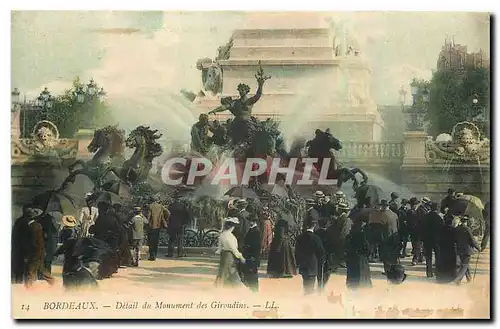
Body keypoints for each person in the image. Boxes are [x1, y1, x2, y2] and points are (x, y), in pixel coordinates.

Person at [295, 217, 326, 295]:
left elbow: (296, 252)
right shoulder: (316, 238)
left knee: (305, 284)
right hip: (313, 264)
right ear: (314, 225)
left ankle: (306, 297)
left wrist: (298, 262)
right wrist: (322, 261)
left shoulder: (300, 237)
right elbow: (321, 252)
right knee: (311, 285)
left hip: (303, 264)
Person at [25, 209, 55, 287]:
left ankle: (29, 286)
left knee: (32, 269)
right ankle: (52, 281)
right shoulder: (37, 225)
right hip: (39, 251)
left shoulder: (33, 226)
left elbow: (34, 241)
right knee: (40, 269)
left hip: (35, 251)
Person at [215, 217, 246, 287]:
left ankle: (222, 287)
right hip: (229, 256)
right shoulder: (229, 236)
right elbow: (233, 249)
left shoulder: (222, 235)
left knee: (223, 273)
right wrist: (241, 257)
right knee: (232, 273)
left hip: (223, 256)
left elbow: (219, 248)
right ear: (232, 227)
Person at [267, 212, 297, 278]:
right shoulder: (284, 222)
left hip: (281, 242)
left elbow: (281, 235)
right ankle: (286, 271)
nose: (275, 217)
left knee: (282, 258)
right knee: (286, 258)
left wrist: (279, 246)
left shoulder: (280, 223)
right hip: (285, 241)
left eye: (276, 216)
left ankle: (282, 272)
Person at [453, 215, 480, 285]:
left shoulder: (457, 229)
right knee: (464, 265)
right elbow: (472, 240)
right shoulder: (467, 229)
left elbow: (455, 239)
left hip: (459, 249)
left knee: (465, 264)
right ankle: (458, 279)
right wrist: (478, 247)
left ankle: (469, 278)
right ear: (466, 222)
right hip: (467, 250)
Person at [345, 218, 372, 289]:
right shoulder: (362, 236)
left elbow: (345, 247)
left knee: (352, 276)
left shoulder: (349, 236)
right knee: (361, 276)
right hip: (361, 259)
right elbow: (368, 249)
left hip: (351, 259)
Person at [375, 200, 399, 275]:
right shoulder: (394, 214)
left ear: (383, 206)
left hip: (385, 238)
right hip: (394, 237)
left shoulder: (382, 215)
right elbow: (398, 226)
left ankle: (387, 270)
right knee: (393, 254)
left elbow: (378, 227)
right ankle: (394, 269)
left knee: (385, 255)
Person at [327, 202, 351, 271]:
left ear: (341, 210)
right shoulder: (341, 217)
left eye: (339, 209)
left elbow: (343, 230)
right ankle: (336, 265)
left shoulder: (343, 218)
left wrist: (340, 238)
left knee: (338, 252)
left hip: (340, 238)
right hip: (339, 238)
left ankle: (335, 266)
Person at [421, 202, 443, 278]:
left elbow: (422, 228)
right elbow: (442, 229)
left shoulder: (426, 216)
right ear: (437, 209)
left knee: (428, 256)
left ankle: (429, 272)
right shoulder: (439, 218)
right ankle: (438, 271)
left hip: (427, 240)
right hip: (437, 240)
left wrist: (423, 239)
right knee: (438, 256)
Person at [435, 213, 458, 283]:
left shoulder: (440, 229)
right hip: (451, 248)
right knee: (451, 263)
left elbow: (438, 239)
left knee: (443, 262)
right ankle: (451, 276)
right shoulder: (453, 230)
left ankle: (441, 277)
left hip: (442, 248)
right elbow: (456, 240)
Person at [242, 216, 261, 292]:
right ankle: (252, 290)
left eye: (251, 221)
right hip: (248, 256)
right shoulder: (251, 230)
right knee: (248, 274)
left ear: (254, 222)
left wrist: (254, 257)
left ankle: (255, 291)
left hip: (252, 257)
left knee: (252, 274)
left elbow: (257, 246)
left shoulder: (256, 231)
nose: (250, 222)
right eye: (249, 220)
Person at [37, 211, 59, 276]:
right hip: (47, 248)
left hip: (45, 248)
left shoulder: (41, 219)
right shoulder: (53, 228)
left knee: (44, 264)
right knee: (46, 264)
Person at [314, 218, 334, 292]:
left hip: (317, 255)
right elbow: (332, 246)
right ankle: (322, 286)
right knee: (327, 271)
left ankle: (320, 285)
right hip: (327, 256)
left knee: (319, 272)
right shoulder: (329, 234)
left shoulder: (315, 233)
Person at [407, 197, 423, 266]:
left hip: (419, 231)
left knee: (417, 245)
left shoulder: (421, 211)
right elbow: (407, 221)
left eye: (414, 204)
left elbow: (423, 221)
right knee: (415, 245)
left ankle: (415, 259)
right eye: (411, 205)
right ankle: (420, 257)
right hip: (412, 231)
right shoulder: (409, 212)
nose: (412, 206)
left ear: (416, 204)